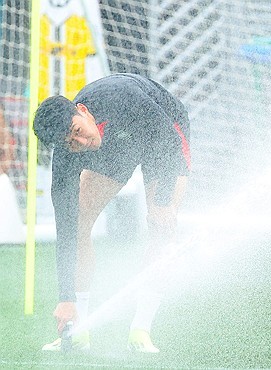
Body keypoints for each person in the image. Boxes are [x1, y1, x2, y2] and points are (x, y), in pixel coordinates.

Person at [33, 73, 191, 353]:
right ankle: (77, 333)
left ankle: (141, 330)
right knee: (78, 220)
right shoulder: (68, 157)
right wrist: (65, 297)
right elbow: (66, 230)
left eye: (78, 131)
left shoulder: (122, 98)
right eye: (70, 142)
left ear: (82, 111)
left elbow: (168, 141)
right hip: (118, 144)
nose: (80, 143)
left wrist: (164, 201)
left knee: (162, 225)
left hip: (165, 132)